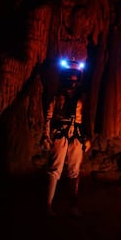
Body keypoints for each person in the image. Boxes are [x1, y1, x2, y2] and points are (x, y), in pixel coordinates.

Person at [41, 57, 91, 218]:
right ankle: (47, 205)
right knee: (55, 169)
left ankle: (73, 206)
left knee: (74, 171)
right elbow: (48, 116)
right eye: (69, 74)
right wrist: (46, 135)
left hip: (76, 135)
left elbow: (86, 117)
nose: (72, 77)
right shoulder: (56, 95)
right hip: (60, 133)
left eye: (75, 74)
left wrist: (88, 137)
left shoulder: (83, 97)